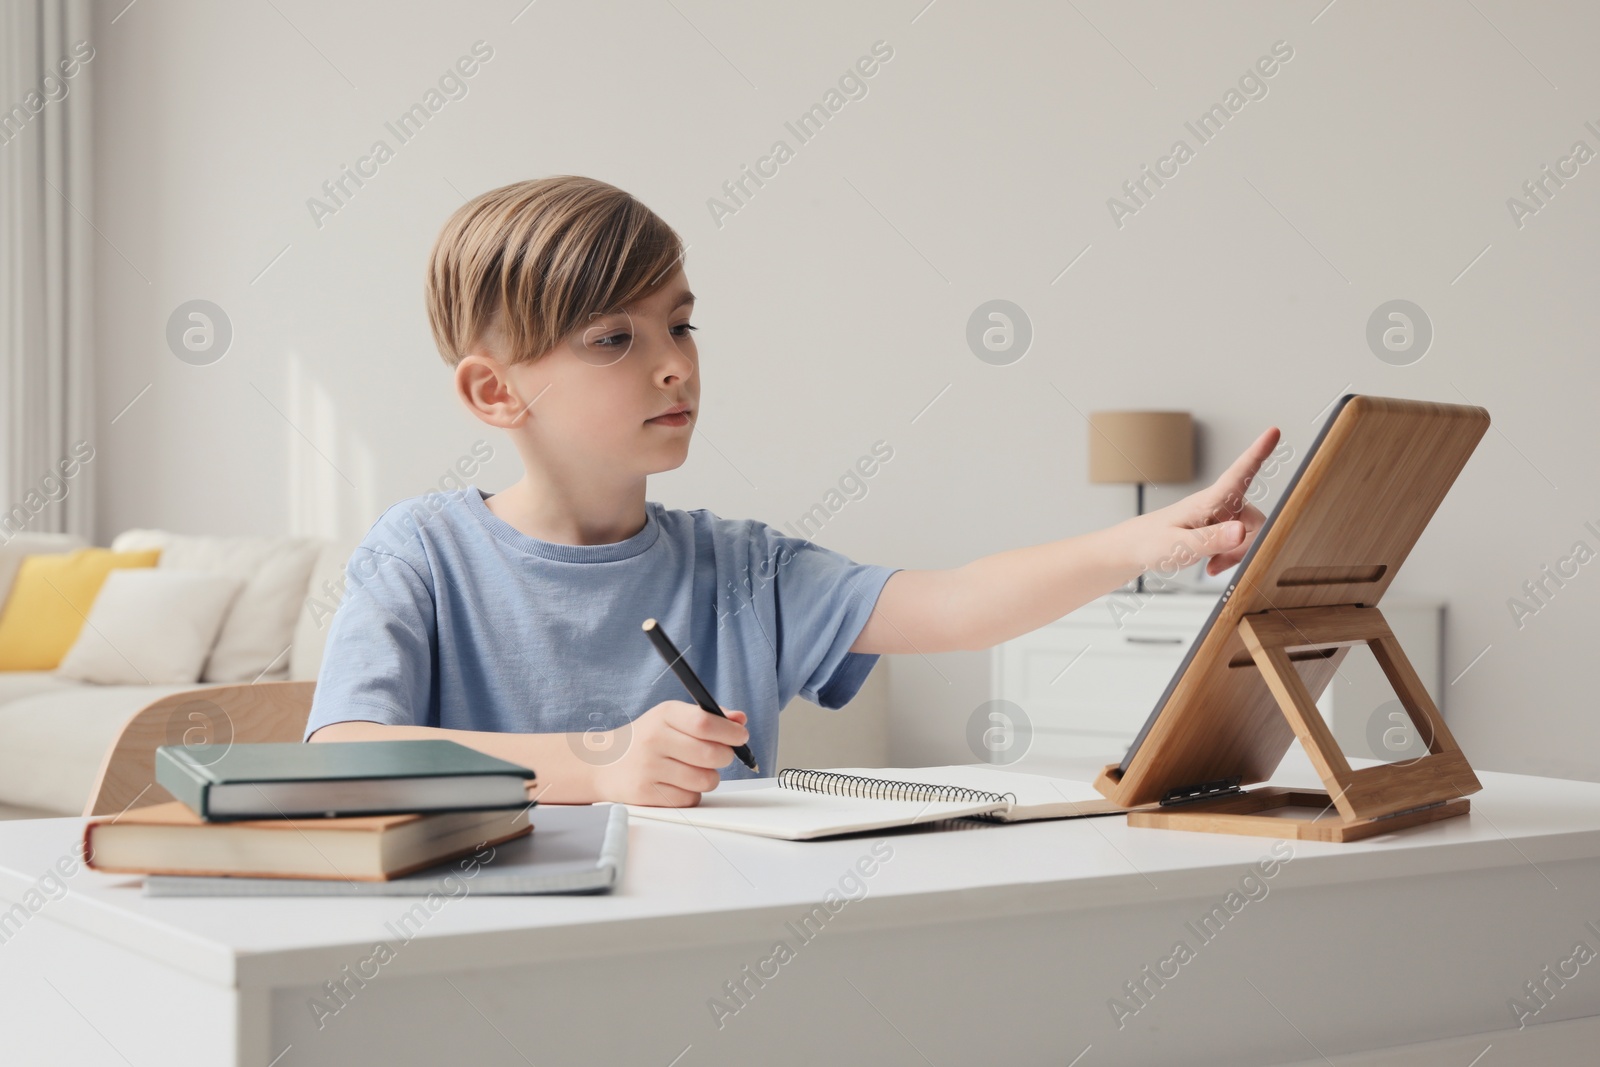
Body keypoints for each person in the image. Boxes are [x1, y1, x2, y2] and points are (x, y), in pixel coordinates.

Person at [305, 174, 1279, 806]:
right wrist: (600, 762)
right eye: (615, 338)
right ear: (493, 389)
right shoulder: (421, 551)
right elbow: (346, 749)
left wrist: (1142, 543)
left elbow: (957, 603)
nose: (673, 365)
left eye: (680, 326)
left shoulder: (741, 566)